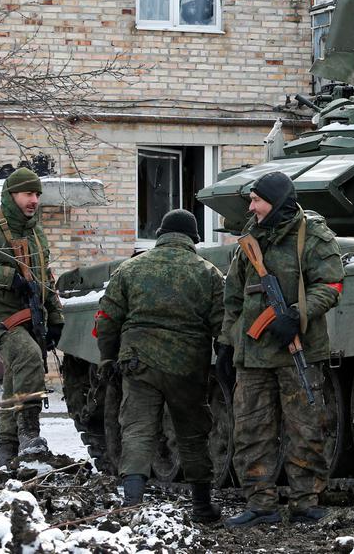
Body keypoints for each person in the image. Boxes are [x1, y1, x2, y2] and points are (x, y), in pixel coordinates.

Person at [217, 171, 344, 527]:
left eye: (257, 200)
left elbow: (332, 283)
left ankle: (306, 501)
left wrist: (296, 314)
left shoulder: (313, 235)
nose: (252, 207)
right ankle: (261, 504)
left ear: (276, 201)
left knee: (306, 428)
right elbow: (233, 298)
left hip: (296, 349)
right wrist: (228, 344)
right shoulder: (250, 240)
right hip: (253, 355)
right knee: (250, 430)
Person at [95, 208, 225, 521]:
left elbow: (107, 318)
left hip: (139, 363)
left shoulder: (130, 269)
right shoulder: (208, 272)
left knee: (138, 429)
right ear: (193, 238)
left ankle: (132, 504)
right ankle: (203, 507)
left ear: (160, 235)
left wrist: (108, 357)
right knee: (192, 434)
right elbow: (223, 324)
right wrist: (223, 361)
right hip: (187, 366)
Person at [0, 167, 64, 465]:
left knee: (16, 376)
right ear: (11, 194)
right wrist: (7, 277)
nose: (34, 200)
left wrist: (55, 317)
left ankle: (6, 452)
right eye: (28, 194)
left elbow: (46, 279)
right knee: (28, 357)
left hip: (31, 314)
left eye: (38, 195)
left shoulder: (36, 232)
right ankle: (30, 433)